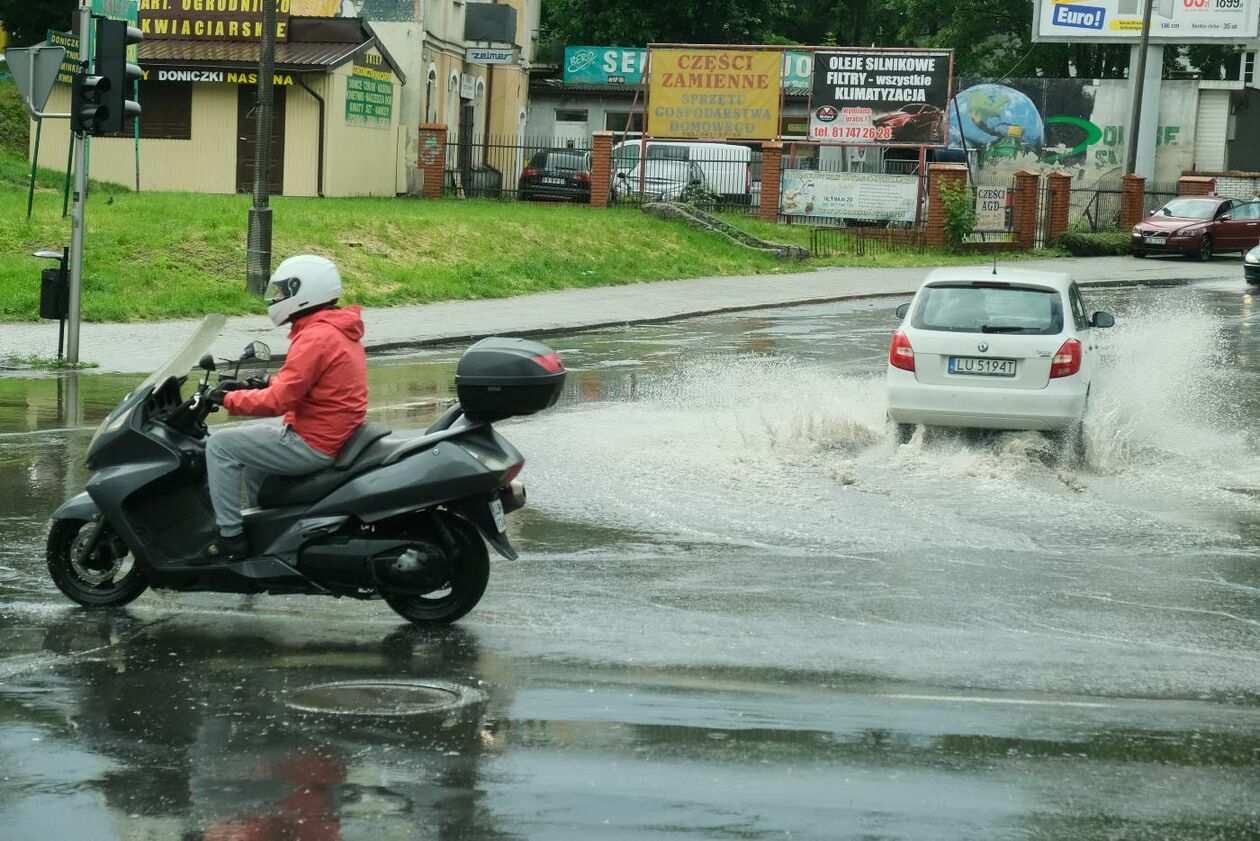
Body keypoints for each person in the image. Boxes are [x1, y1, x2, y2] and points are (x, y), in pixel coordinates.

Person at [193, 255, 367, 564]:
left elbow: (279, 401)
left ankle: (230, 537)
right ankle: (270, 529)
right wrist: (257, 384)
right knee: (250, 444)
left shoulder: (315, 337)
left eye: (283, 292)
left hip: (315, 442)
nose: (278, 298)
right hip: (328, 433)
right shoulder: (331, 329)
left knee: (221, 446)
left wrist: (228, 400)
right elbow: (301, 382)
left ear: (304, 292)